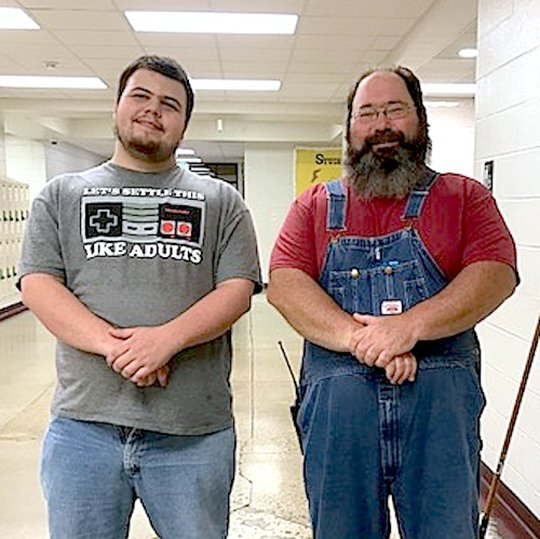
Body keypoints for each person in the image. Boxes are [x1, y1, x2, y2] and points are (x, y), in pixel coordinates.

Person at [267, 66, 517, 539]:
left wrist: (412, 326)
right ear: (350, 128)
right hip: (340, 423)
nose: (381, 124)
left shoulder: (465, 198)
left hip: (439, 421)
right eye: (368, 113)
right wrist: (365, 338)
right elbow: (284, 282)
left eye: (395, 110)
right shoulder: (315, 205)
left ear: (420, 120)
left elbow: (496, 272)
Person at [18, 55, 260, 539]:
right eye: (141, 97)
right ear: (117, 106)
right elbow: (39, 283)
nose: (154, 110)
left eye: (170, 104)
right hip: (84, 428)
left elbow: (236, 290)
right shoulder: (61, 195)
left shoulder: (221, 201)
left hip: (194, 432)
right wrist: (120, 348)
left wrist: (166, 341)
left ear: (184, 124)